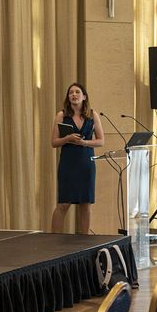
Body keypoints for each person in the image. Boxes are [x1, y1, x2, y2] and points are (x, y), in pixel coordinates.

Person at [50, 82, 105, 234]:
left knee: (85, 204)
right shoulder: (62, 115)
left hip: (86, 163)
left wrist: (84, 142)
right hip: (68, 163)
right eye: (71, 93)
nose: (74, 94)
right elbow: (54, 142)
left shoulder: (92, 115)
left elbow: (101, 141)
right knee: (63, 204)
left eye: (77, 92)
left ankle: (84, 240)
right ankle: (52, 240)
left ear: (84, 97)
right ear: (68, 97)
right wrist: (67, 138)